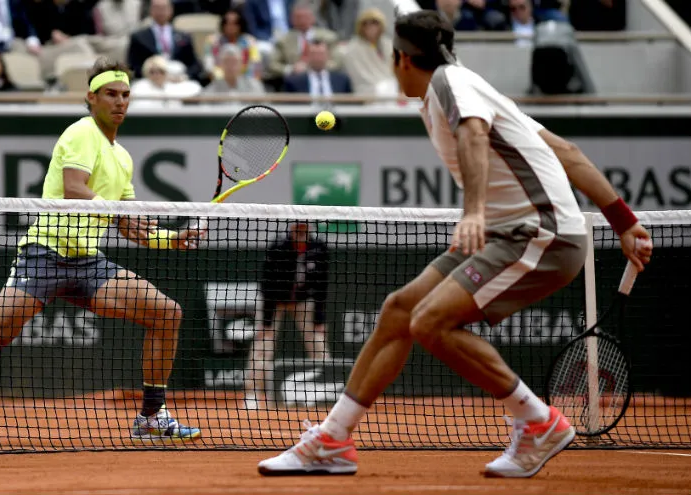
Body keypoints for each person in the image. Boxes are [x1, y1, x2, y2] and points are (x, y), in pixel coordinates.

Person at [258, 10, 653, 478]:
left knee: (430, 323)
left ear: (402, 59)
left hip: (538, 234)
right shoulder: (468, 86)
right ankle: (332, 439)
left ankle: (537, 420)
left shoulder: (451, 85)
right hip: (508, 231)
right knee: (401, 311)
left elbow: (472, 134)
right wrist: (624, 220)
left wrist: (474, 211)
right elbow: (565, 151)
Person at [0, 57, 205, 448]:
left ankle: (151, 417)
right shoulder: (81, 133)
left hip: (88, 264)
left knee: (167, 313)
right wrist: (121, 214)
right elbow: (74, 188)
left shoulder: (123, 158)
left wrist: (170, 238)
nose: (120, 102)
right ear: (91, 98)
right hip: (44, 255)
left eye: (125, 95)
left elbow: (129, 226)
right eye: (110, 94)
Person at [243, 222, 330, 410]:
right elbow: (267, 284)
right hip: (274, 301)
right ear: (291, 228)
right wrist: (266, 323)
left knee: (319, 342)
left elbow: (322, 285)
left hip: (304, 300)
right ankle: (253, 395)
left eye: (304, 227)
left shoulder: (319, 248)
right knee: (262, 347)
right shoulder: (278, 247)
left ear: (309, 228)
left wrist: (319, 320)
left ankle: (325, 392)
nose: (300, 230)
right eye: (297, 227)